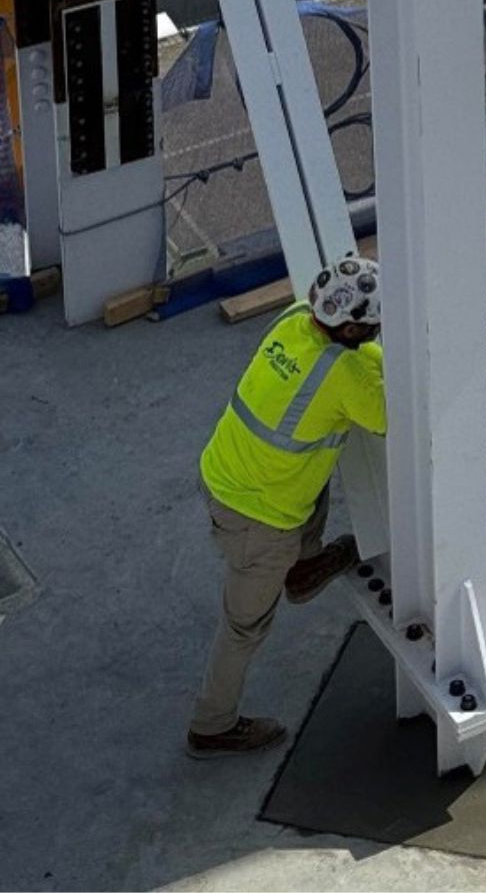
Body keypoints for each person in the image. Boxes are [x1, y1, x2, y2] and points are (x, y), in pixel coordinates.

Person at [186, 258, 386, 758]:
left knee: (313, 468)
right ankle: (211, 727)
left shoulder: (295, 318)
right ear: (355, 328)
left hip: (225, 472)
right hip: (257, 520)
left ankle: (302, 568)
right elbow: (388, 415)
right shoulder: (346, 374)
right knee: (243, 625)